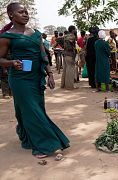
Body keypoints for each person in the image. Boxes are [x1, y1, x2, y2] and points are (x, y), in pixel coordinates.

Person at [0, 2, 69, 158]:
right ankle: (46, 145)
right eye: (21, 12)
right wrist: (11, 63)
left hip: (36, 78)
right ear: (11, 15)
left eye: (26, 12)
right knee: (32, 110)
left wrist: (50, 74)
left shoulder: (36, 33)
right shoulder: (6, 37)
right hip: (19, 79)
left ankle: (27, 137)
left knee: (32, 109)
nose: (25, 14)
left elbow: (43, 55)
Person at [61, 25, 77, 90]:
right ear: (73, 30)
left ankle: (63, 85)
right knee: (70, 70)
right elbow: (73, 45)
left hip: (65, 54)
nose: (76, 30)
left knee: (65, 70)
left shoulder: (65, 36)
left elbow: (58, 40)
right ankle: (70, 86)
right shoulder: (72, 36)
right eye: (75, 29)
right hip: (70, 54)